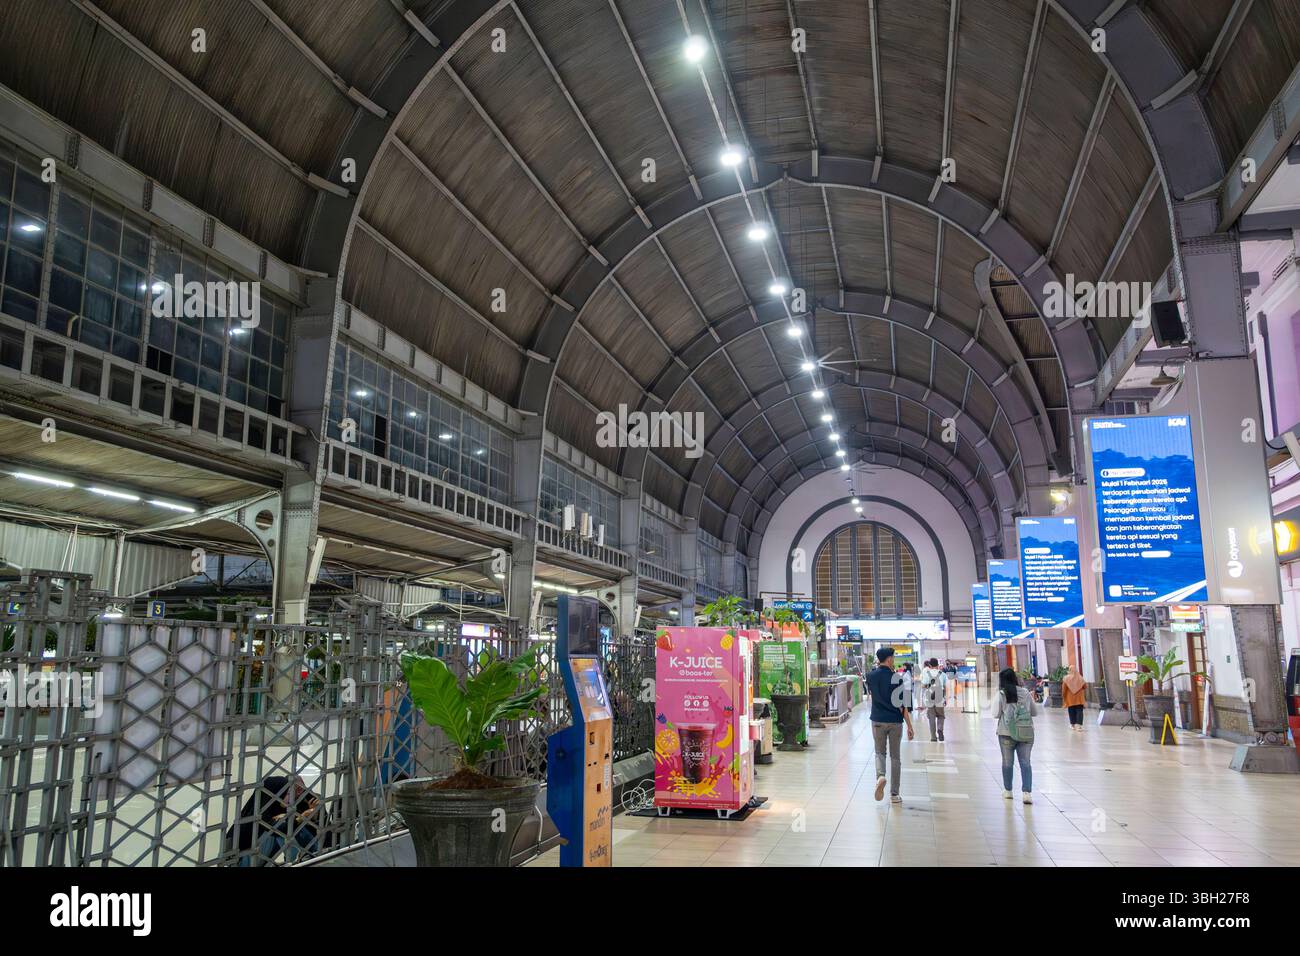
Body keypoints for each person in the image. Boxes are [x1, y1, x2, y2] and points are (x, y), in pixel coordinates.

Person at [226, 774, 324, 866]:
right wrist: (301, 818)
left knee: (289, 824)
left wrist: (312, 817)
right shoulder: (259, 813)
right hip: (242, 861)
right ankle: (308, 857)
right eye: (288, 793)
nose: (291, 797)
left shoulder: (277, 807)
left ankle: (314, 854)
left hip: (258, 856)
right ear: (277, 794)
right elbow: (280, 828)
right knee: (285, 828)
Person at [866, 646, 914, 804]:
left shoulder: (870, 676)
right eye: (893, 657)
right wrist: (910, 726)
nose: (894, 660)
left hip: (878, 720)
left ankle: (880, 776)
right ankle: (894, 794)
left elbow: (873, 696)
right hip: (895, 721)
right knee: (895, 757)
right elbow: (902, 705)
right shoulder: (897, 678)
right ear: (888, 659)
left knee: (880, 753)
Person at [993, 667, 1039, 804]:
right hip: (1025, 732)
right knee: (1025, 762)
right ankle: (1026, 793)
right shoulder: (1025, 692)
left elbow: (995, 713)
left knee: (1007, 763)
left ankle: (1008, 791)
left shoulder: (1001, 694)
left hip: (1006, 732)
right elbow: (1034, 712)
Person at [919, 657, 947, 741]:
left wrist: (929, 686)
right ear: (938, 665)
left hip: (929, 697)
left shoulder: (927, 673)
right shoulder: (942, 674)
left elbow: (923, 685)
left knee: (931, 717)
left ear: (930, 665)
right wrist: (945, 698)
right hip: (939, 697)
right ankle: (940, 729)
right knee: (941, 716)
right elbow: (945, 687)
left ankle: (933, 737)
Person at [1062, 666, 1088, 732]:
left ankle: (1072, 725)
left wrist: (1064, 697)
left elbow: (1064, 689)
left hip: (1070, 699)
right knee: (1079, 711)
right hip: (1079, 698)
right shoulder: (1080, 678)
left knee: (1071, 711)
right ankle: (1079, 726)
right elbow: (1085, 686)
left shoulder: (1066, 678)